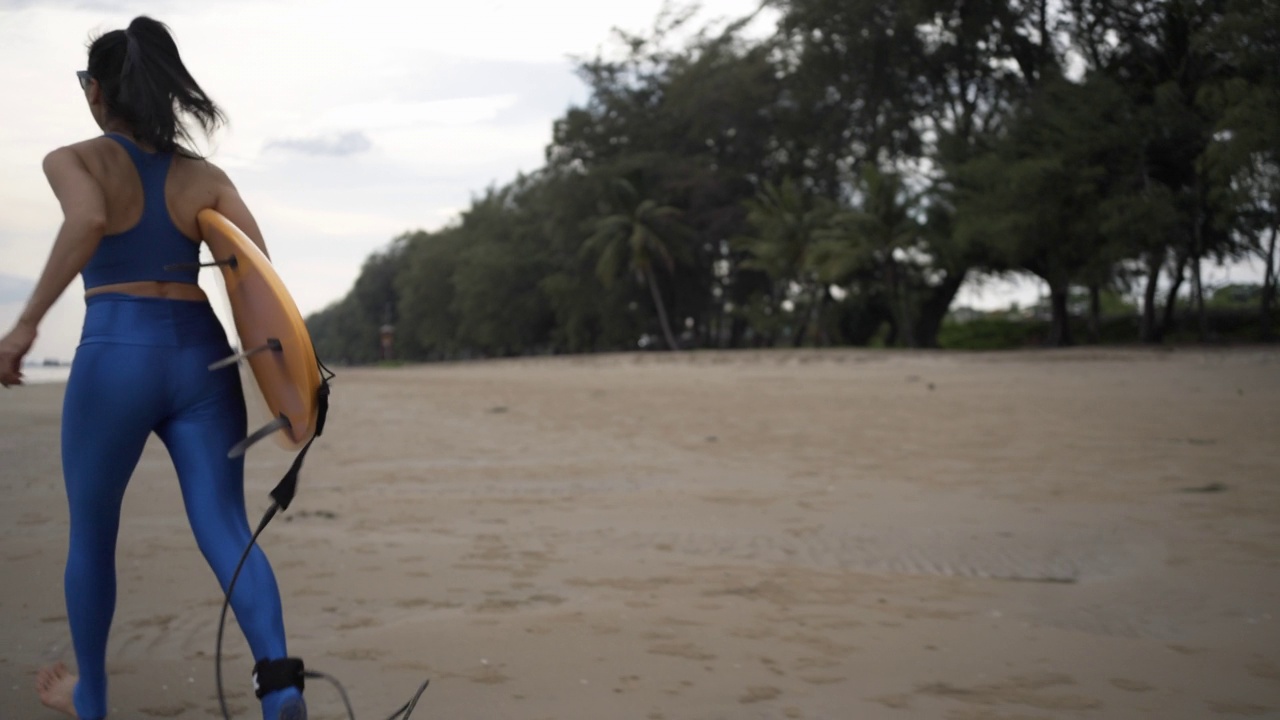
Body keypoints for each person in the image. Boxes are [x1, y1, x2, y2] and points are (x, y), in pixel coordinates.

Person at [0, 16, 307, 720]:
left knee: (93, 533)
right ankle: (280, 685)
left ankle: (93, 701)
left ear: (97, 91)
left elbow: (84, 224)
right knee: (225, 526)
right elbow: (256, 275)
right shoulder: (205, 176)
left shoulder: (73, 159)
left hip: (117, 352)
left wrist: (23, 326)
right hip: (201, 354)